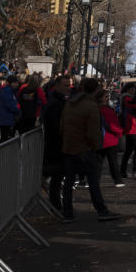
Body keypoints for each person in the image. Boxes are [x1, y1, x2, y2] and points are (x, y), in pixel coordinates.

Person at [59, 76, 122, 222]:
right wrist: (96, 146)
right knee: (93, 181)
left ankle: (67, 212)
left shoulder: (69, 103)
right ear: (95, 90)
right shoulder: (91, 106)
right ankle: (101, 210)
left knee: (69, 181)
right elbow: (93, 131)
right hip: (84, 147)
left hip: (69, 145)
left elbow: (62, 125)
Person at [42, 74, 71, 210]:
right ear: (57, 86)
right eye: (65, 85)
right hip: (56, 144)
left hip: (57, 144)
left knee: (57, 176)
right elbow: (56, 126)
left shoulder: (59, 101)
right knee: (57, 176)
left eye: (69, 85)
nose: (68, 88)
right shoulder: (55, 103)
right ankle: (56, 205)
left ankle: (56, 204)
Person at [98, 88, 126, 187]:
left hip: (98, 140)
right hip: (110, 140)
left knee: (98, 163)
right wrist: (120, 133)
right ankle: (118, 180)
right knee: (113, 162)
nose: (108, 98)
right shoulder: (107, 110)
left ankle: (94, 180)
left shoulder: (95, 109)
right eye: (106, 96)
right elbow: (113, 125)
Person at [118, 84, 136, 180]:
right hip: (131, 126)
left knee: (128, 150)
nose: (133, 90)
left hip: (131, 126)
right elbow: (133, 107)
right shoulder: (126, 97)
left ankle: (123, 171)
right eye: (131, 89)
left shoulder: (127, 97)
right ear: (127, 89)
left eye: (134, 89)